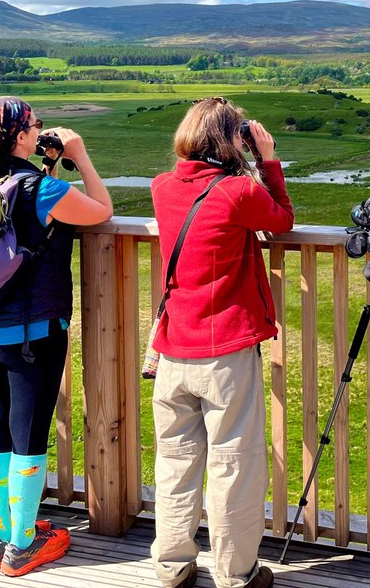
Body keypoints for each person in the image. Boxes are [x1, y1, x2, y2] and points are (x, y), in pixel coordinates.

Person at [0, 97, 112, 577]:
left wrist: (47, 165)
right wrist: (79, 156)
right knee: (28, 437)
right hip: (29, 335)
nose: (39, 131)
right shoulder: (40, 190)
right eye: (35, 126)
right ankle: (22, 546)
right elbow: (101, 211)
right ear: (20, 136)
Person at [149, 97, 292, 588]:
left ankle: (172, 567)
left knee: (175, 462)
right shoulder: (236, 191)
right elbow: (281, 220)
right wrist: (266, 158)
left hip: (173, 349)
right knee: (233, 463)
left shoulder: (161, 187)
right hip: (225, 350)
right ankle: (236, 574)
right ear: (230, 140)